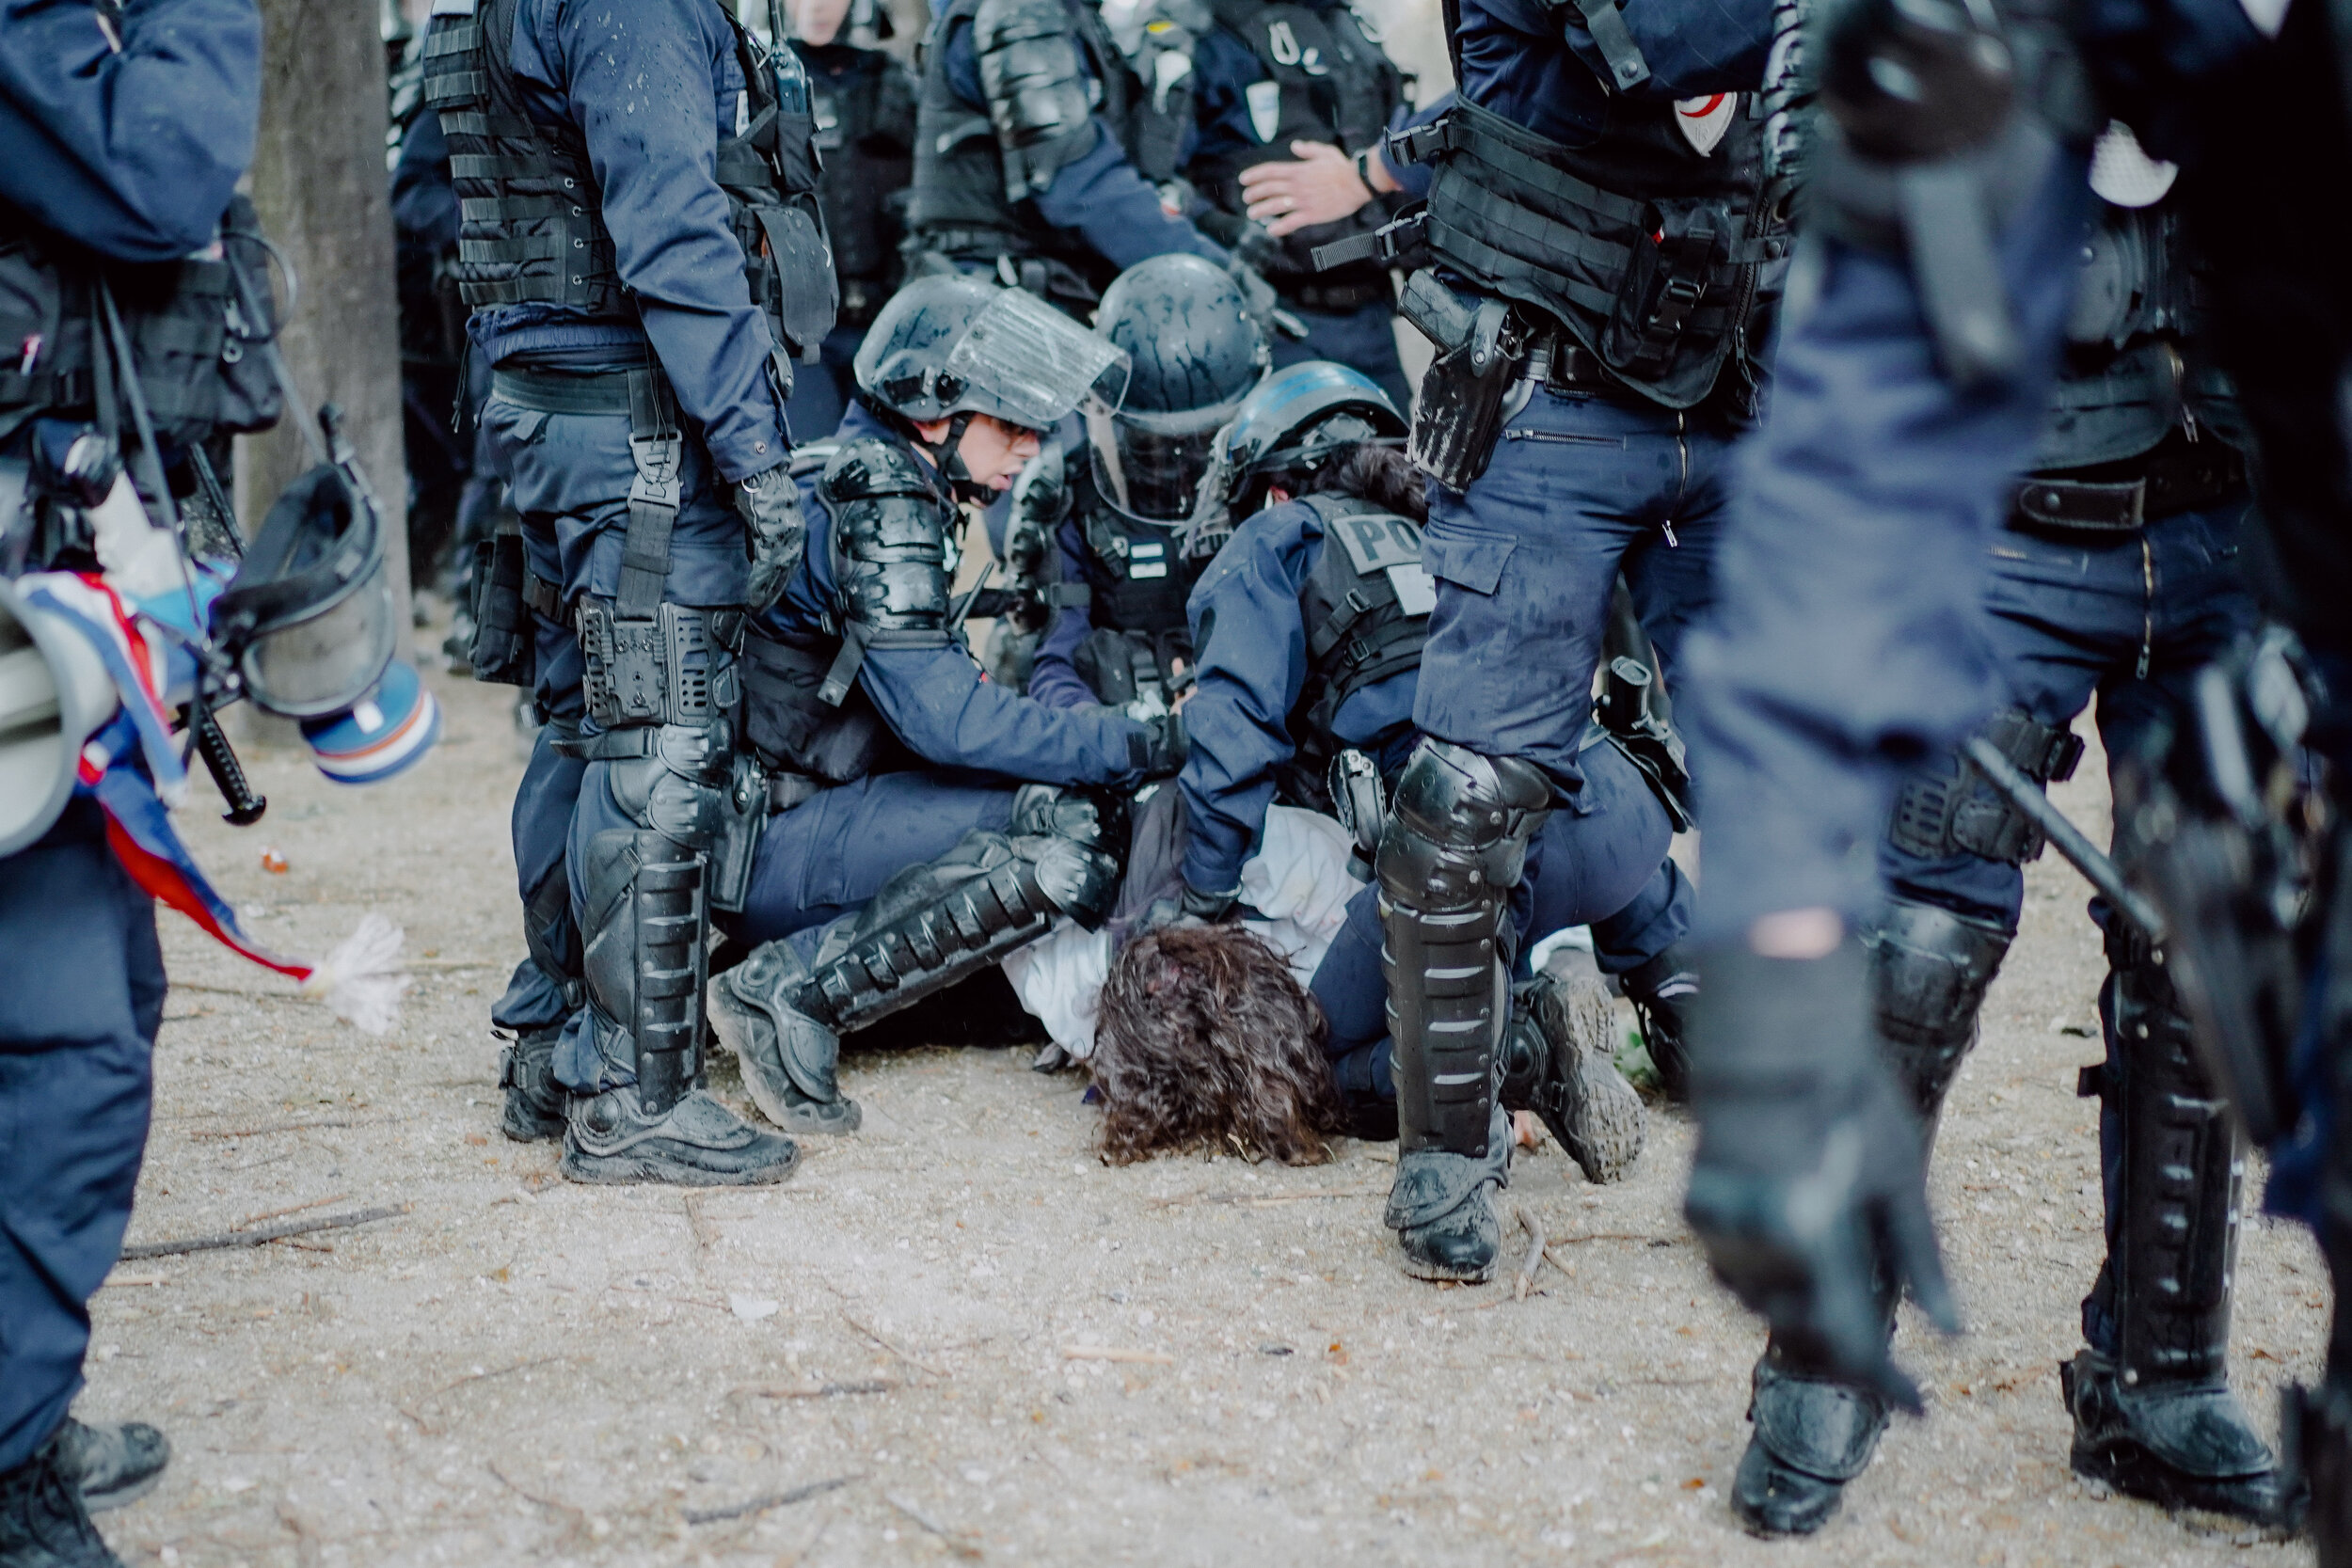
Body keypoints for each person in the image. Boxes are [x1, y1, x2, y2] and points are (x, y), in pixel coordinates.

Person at [1666, 0, 2352, 1556]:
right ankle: (1823, 1361)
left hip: (2231, 508)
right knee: (1919, 931)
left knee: (2207, 939)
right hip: (2013, 517)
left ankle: (2157, 1380)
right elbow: (1798, 182)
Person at [1361, 0, 1782, 1283]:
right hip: (1554, 396)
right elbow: (1660, 35)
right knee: (1469, 792)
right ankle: (1446, 1155)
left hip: (1742, 392)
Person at [421, 0, 839, 1183]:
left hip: (557, 410)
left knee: (589, 727)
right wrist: (755, 453)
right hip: (631, 427)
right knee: (658, 743)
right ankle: (635, 1094)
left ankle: (557, 1045)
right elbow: (670, 229)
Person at [1161, 361, 1693, 1197]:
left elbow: (1232, 747)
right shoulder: (1459, 518)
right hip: (1622, 810)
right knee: (1552, 788)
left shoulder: (1278, 537)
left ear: (1272, 489)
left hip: (1465, 850)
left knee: (1309, 1059)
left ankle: (1525, 1047)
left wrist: (1194, 911)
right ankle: (1706, 1031)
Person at [700, 274, 1184, 1132]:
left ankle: (788, 967)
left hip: (791, 820)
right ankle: (782, 993)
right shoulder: (879, 496)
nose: (1031, 447)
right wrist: (1136, 739)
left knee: (1059, 822)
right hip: (773, 839)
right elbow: (947, 721)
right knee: (1063, 841)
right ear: (933, 414)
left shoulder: (878, 475)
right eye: (1010, 424)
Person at [904, 0, 1261, 318]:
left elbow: (1129, 170)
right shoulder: (1019, 12)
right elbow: (1078, 185)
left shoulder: (1080, 21)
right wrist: (1217, 274)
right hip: (985, 314)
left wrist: (1217, 229)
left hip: (1043, 300)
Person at [1024, 253, 1268, 715]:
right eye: (1150, 439)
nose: (1182, 459)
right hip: (1129, 721)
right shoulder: (1068, 498)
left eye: (1204, 440)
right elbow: (1053, 663)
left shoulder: (1279, 480)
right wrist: (1129, 737)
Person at [1165, 0, 1419, 410]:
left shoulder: (1348, 25)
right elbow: (1158, 185)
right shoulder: (1203, 32)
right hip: (1268, 319)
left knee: (1391, 469)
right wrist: (1220, 230)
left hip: (1370, 315)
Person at [780, 0, 917, 440]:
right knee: (810, 466)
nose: (816, 6)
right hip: (802, 333)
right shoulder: (767, 84)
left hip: (884, 319)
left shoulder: (896, 85)